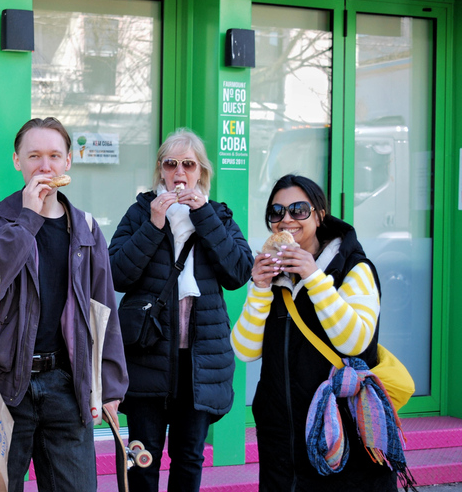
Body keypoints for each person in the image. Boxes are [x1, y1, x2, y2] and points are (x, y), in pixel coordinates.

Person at [0, 117, 128, 492]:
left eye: (55, 155)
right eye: (34, 155)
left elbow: (104, 308)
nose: (45, 165)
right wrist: (27, 218)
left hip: (67, 385)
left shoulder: (86, 228)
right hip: (5, 385)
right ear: (16, 161)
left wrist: (111, 384)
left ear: (68, 162)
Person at [230, 174, 398, 491]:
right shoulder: (275, 276)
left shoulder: (355, 269)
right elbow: (245, 350)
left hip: (344, 437)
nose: (286, 220)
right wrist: (259, 289)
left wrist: (314, 277)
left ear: (319, 215)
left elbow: (356, 341)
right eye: (276, 212)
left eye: (298, 210)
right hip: (282, 444)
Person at [108, 128, 253, 491]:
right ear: (161, 170)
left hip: (200, 362)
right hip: (147, 357)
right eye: (171, 163)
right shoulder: (141, 211)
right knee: (143, 458)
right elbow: (115, 274)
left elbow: (238, 271)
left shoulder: (217, 215)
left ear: (201, 173)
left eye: (188, 164)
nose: (179, 172)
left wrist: (204, 217)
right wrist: (154, 226)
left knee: (189, 457)